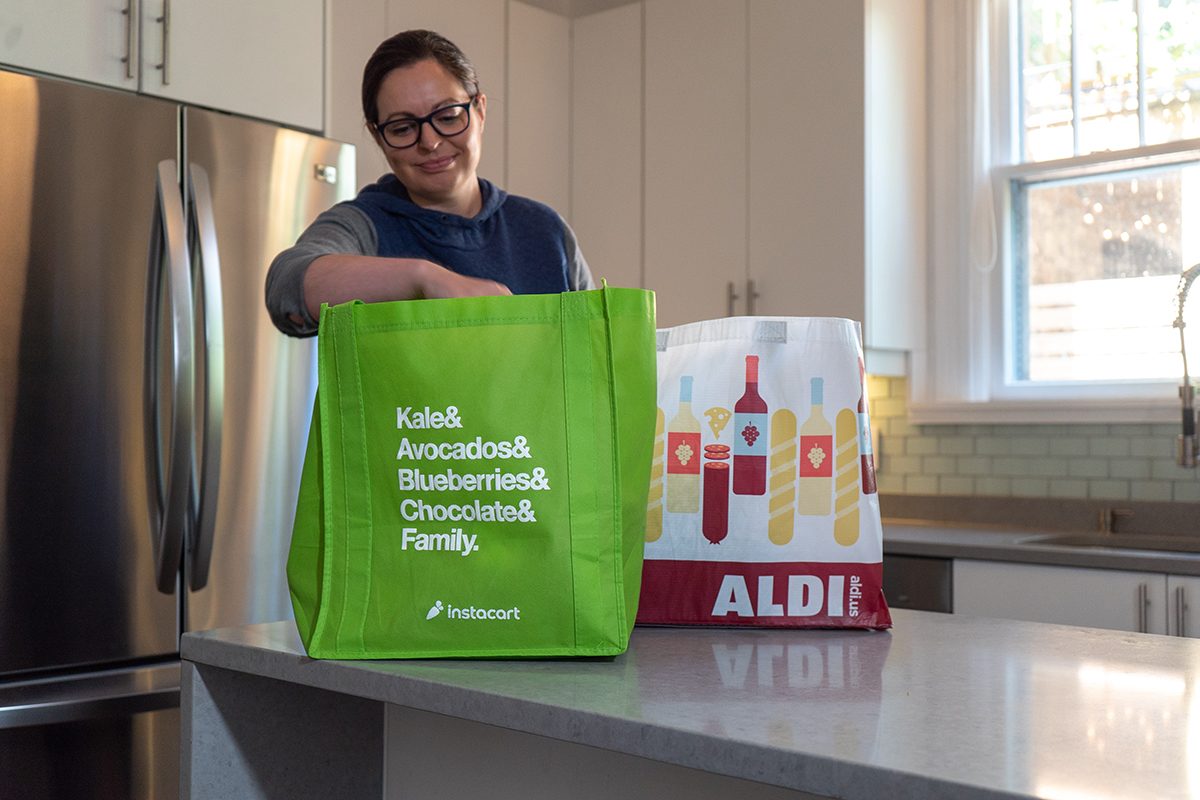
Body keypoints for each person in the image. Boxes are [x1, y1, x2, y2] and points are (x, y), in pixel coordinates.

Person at [266, 29, 594, 337]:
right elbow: (287, 287)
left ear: (479, 111)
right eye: (402, 128)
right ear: (377, 137)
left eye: (448, 117)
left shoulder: (545, 231)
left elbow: (592, 350)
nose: (430, 142)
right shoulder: (363, 225)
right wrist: (423, 279)